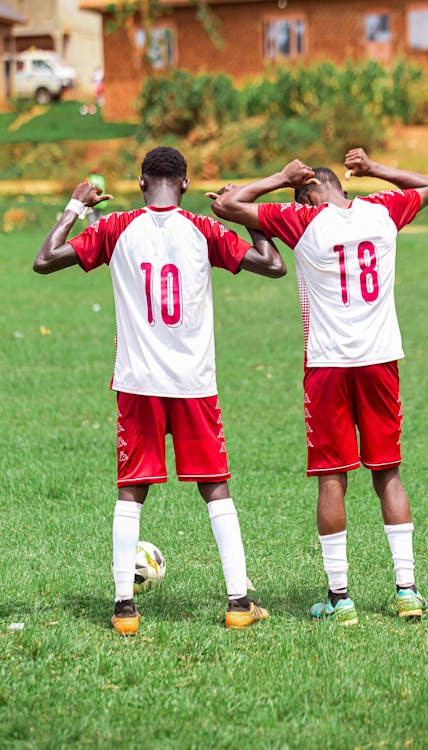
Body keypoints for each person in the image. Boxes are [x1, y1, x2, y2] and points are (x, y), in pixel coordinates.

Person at [33, 146, 287, 635]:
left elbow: (44, 260)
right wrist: (243, 212)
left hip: (138, 382)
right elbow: (272, 264)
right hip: (194, 382)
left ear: (141, 182)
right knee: (215, 487)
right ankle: (239, 601)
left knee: (132, 490)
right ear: (187, 185)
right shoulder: (206, 229)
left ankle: (124, 609)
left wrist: (76, 206)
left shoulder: (115, 227)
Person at [210, 147, 428, 625]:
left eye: (302, 194)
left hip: (329, 366)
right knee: (388, 474)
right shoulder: (381, 210)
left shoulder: (303, 220)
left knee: (332, 477)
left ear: (310, 192)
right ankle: (407, 591)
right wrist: (376, 169)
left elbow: (227, 207)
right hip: (380, 361)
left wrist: (278, 178)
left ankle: (341, 599)